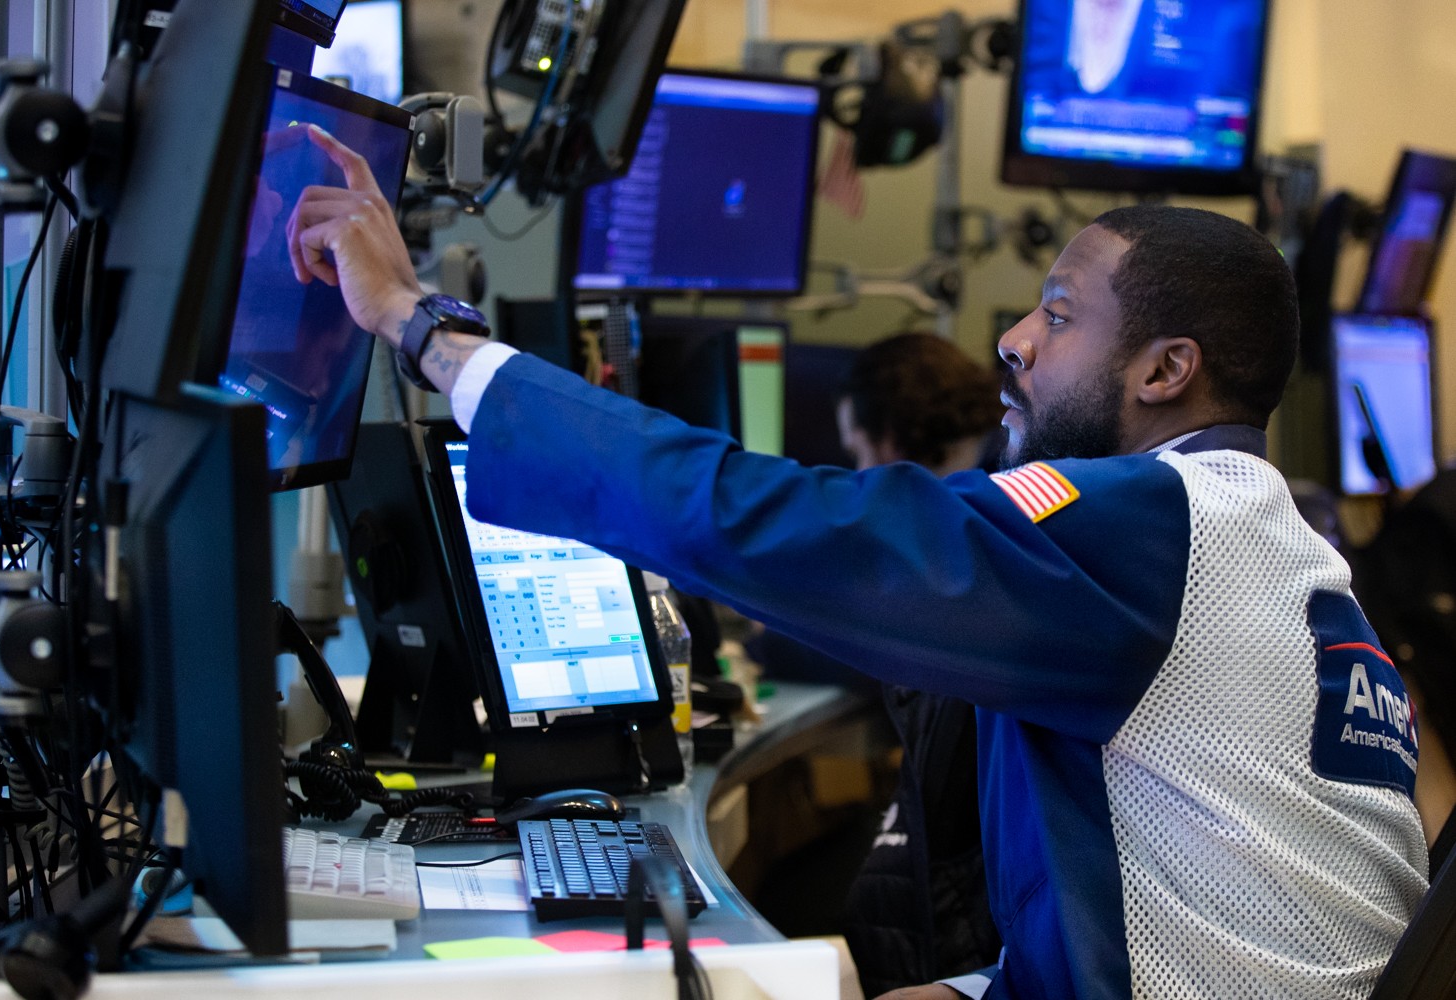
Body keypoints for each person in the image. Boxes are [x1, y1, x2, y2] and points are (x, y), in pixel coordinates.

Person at [288, 124, 1430, 999]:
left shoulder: (1147, 522)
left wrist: (424, 329)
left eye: (1057, 315)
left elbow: (767, 522)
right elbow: (1205, 910)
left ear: (1164, 371)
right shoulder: (1289, 557)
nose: (1013, 342)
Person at [832, 333, 1005, 996]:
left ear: (892, 437)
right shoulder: (1004, 489)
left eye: (858, 451)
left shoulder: (966, 530)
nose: (859, 475)